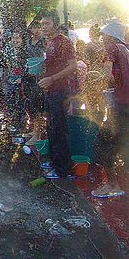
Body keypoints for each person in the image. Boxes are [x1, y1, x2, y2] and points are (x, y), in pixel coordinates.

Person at [38, 10, 77, 179]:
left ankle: (63, 170)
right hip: (49, 91)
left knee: (60, 130)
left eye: (46, 24)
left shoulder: (63, 41)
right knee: (51, 128)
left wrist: (52, 79)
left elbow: (73, 66)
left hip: (60, 91)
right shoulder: (49, 42)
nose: (43, 27)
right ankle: (54, 161)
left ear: (55, 24)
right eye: (41, 24)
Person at [92, 21, 128, 198]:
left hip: (121, 105)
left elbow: (108, 76)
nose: (102, 37)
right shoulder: (125, 49)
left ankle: (113, 184)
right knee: (120, 142)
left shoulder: (112, 47)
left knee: (102, 143)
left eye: (104, 34)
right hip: (126, 104)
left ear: (111, 36)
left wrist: (103, 84)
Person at [23, 21, 46, 145]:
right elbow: (26, 57)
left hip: (42, 77)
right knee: (31, 104)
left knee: (39, 104)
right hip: (30, 76)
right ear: (30, 29)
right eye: (34, 28)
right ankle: (34, 130)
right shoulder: (28, 42)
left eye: (39, 27)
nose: (37, 30)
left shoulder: (44, 41)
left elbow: (47, 57)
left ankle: (37, 134)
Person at [4, 30, 30, 133]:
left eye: (17, 38)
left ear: (21, 39)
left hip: (23, 76)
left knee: (21, 95)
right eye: (14, 38)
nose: (15, 40)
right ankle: (11, 113)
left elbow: (27, 64)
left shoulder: (25, 49)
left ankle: (22, 114)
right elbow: (7, 60)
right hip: (12, 74)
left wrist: (22, 77)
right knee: (11, 93)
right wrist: (11, 72)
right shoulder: (9, 47)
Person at [85, 24, 106, 115]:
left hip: (91, 75)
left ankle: (93, 121)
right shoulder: (103, 45)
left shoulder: (88, 46)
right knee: (101, 97)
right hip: (101, 74)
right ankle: (101, 119)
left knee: (91, 99)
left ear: (90, 34)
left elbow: (86, 60)